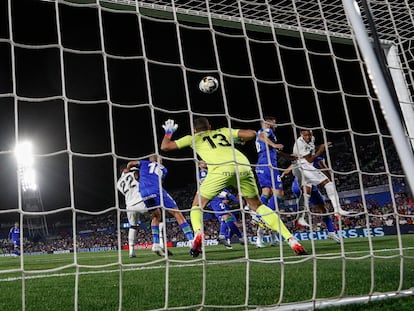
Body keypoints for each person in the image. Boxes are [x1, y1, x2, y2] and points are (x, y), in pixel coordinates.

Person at [160, 117, 307, 257]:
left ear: (194, 130)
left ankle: (198, 233)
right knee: (258, 206)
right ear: (210, 127)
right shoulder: (222, 131)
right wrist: (239, 138)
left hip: (220, 169)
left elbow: (165, 147)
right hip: (243, 166)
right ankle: (291, 240)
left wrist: (169, 132)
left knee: (197, 206)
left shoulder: (193, 138)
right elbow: (252, 133)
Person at [128, 155, 195, 252]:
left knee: (156, 216)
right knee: (176, 213)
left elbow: (131, 163)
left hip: (143, 192)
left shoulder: (143, 163)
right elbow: (159, 179)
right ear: (158, 160)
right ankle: (191, 240)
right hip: (156, 189)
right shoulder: (163, 168)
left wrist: (130, 170)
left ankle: (155, 244)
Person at [291, 129, 350, 222]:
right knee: (328, 183)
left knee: (306, 194)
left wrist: (321, 146)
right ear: (300, 134)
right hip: (303, 166)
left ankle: (300, 218)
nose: (308, 137)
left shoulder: (312, 139)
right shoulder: (299, 144)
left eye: (309, 135)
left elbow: (312, 149)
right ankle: (337, 209)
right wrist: (321, 149)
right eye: (305, 135)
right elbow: (310, 160)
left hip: (303, 169)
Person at [117, 163, 170, 257]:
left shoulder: (118, 183)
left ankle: (131, 252)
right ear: (125, 169)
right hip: (141, 200)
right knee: (158, 216)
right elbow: (139, 176)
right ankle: (160, 244)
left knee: (133, 226)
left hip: (129, 206)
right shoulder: (134, 173)